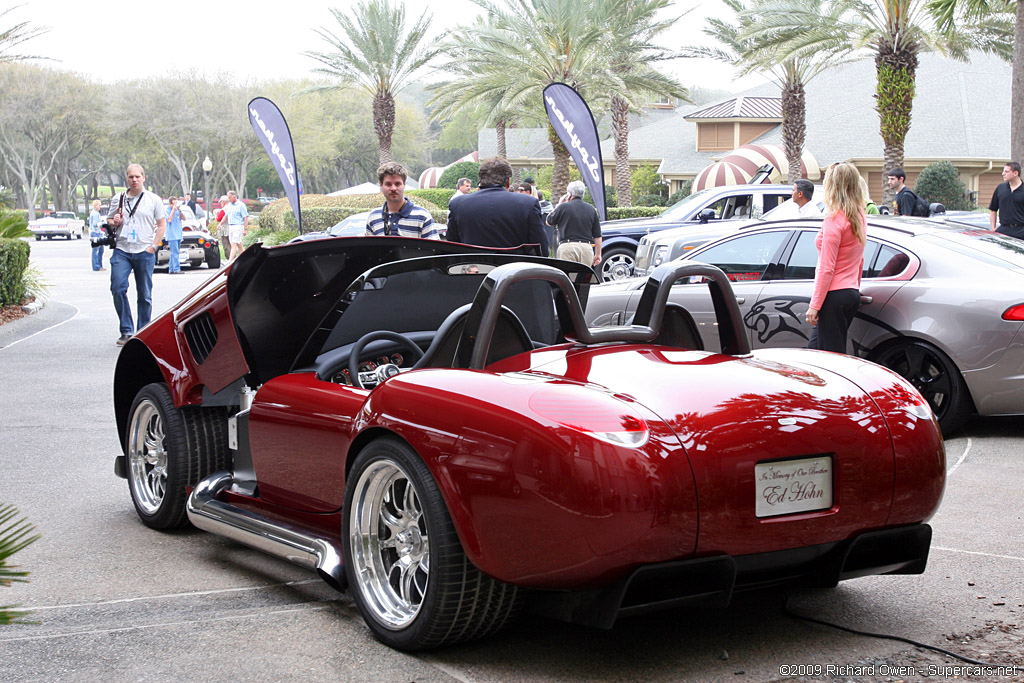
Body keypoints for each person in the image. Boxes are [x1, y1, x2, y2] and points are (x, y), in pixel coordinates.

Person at [805, 162, 867, 354]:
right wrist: (854, 286)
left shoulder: (834, 220)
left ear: (832, 186)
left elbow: (826, 267)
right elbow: (859, 260)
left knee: (831, 358)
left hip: (833, 295)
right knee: (814, 352)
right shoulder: (858, 215)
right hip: (850, 293)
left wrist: (814, 306)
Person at [107, 163, 166, 346]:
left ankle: (143, 331)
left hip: (144, 250)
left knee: (144, 293)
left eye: (137, 177)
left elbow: (162, 224)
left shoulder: (153, 199)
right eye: (131, 177)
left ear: (143, 178)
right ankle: (126, 330)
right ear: (127, 178)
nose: (134, 180)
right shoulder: (119, 198)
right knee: (117, 287)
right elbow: (109, 220)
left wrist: (154, 247)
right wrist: (114, 221)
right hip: (122, 250)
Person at [446, 157, 548, 255]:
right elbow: (541, 249)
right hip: (514, 270)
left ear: (480, 180)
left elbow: (453, 245)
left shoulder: (458, 204)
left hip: (473, 268)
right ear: (508, 181)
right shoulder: (528, 204)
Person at [366, 162, 439, 239]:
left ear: (404, 184)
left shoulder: (422, 217)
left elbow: (434, 250)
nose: (393, 188)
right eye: (388, 184)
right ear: (381, 184)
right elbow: (370, 250)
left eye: (397, 184)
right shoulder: (373, 218)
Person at [547, 180, 602, 267]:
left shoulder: (563, 207)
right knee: (584, 278)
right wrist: (598, 254)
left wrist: (558, 204)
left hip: (567, 247)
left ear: (569, 193)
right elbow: (597, 236)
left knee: (568, 277)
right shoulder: (591, 209)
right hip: (586, 248)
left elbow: (549, 221)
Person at [988, 161, 1024, 239]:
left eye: (1006, 171)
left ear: (1015, 173)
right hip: (1003, 230)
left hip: (1021, 231)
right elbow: (993, 210)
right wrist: (993, 228)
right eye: (1003, 171)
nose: (1003, 174)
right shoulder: (1000, 188)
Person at [223, 190, 249, 262]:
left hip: (238, 225)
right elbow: (226, 216)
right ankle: (246, 258)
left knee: (234, 243)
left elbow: (245, 217)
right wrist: (220, 224)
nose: (229, 199)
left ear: (234, 197)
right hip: (231, 226)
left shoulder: (241, 205)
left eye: (230, 198)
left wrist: (245, 229)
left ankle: (230, 261)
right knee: (238, 244)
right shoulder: (229, 206)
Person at [165, 197, 184, 274]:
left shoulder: (177, 211)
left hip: (178, 234)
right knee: (174, 252)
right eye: (174, 204)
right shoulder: (167, 210)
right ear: (170, 204)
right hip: (172, 235)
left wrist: (180, 211)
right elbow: (169, 220)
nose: (175, 205)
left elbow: (184, 218)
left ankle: (171, 269)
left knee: (175, 253)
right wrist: (173, 210)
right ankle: (176, 269)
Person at [89, 199, 106, 271]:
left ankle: (100, 265)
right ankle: (96, 266)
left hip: (98, 233)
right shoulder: (95, 214)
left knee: (101, 250)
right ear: (95, 206)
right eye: (99, 205)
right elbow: (95, 224)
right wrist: (102, 224)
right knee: (96, 250)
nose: (100, 206)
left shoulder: (95, 213)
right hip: (96, 233)